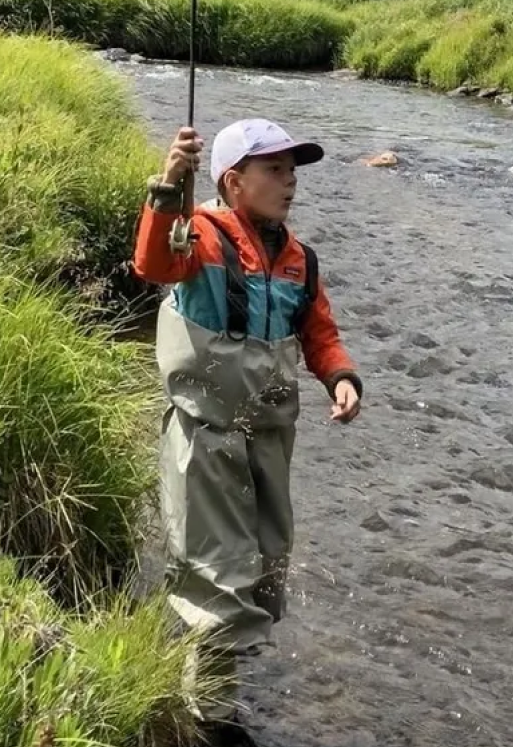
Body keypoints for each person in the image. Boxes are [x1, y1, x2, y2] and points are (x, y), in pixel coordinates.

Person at [133, 119, 363, 745]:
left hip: (266, 436)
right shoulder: (198, 236)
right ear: (235, 182)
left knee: (262, 569)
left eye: (292, 171)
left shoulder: (298, 259)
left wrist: (340, 377)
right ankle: (209, 718)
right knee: (220, 573)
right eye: (276, 170)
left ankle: (206, 675)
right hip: (204, 434)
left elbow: (318, 332)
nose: (290, 183)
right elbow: (154, 262)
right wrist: (168, 184)